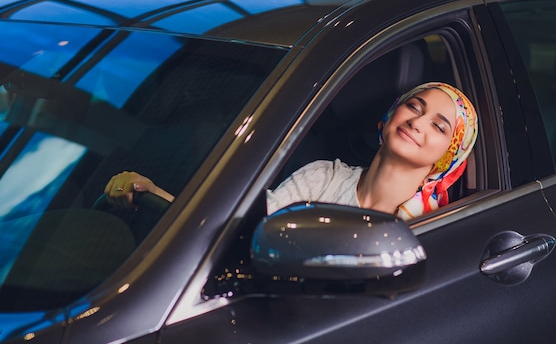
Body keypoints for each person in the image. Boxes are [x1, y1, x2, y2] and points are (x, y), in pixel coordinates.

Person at [104, 81, 478, 220]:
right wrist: (152, 194)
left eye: (439, 125)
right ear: (385, 121)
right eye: (414, 106)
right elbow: (237, 233)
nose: (418, 121)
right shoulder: (322, 177)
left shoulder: (430, 227)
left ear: (446, 160)